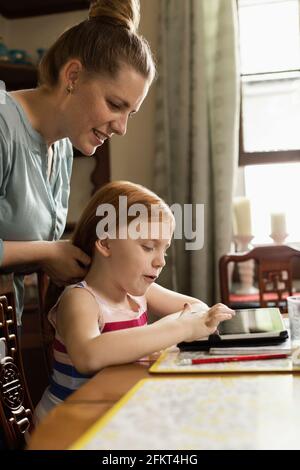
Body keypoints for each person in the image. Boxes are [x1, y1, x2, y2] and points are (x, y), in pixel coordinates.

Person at [0, 0, 156, 324]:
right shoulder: (3, 124)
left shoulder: (60, 149)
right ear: (73, 75)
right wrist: (46, 253)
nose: (122, 127)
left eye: (130, 113)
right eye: (115, 104)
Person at [34, 180, 234, 423]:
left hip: (115, 416)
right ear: (106, 244)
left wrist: (195, 323)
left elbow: (199, 310)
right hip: (67, 428)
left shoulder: (140, 293)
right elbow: (88, 355)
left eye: (165, 250)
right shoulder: (80, 299)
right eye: (149, 247)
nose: (160, 261)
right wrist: (178, 328)